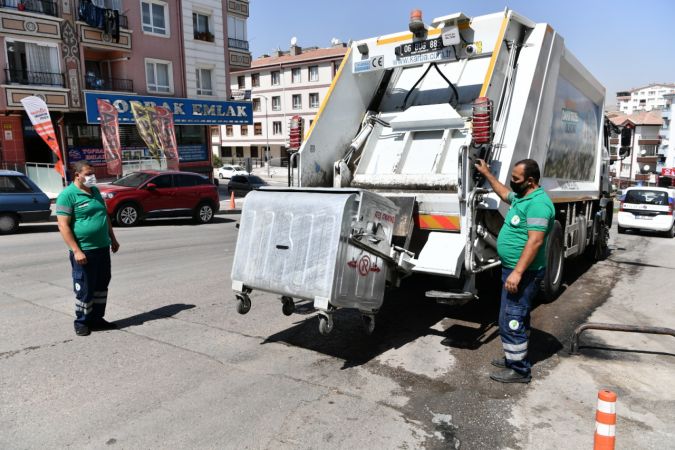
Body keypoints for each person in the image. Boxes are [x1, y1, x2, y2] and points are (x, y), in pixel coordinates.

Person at [474, 158, 554, 383]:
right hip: (513, 269)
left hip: (524, 273)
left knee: (511, 319)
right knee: (516, 316)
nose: (512, 182)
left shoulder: (539, 204)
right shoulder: (523, 197)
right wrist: (488, 174)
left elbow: (535, 242)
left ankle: (520, 370)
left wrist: (517, 273)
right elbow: (504, 193)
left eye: (516, 179)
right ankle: (513, 358)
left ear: (530, 181)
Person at [56, 161, 120, 336]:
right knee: (85, 288)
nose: (92, 177)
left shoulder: (95, 191)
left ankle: (97, 319)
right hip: (84, 251)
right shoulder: (67, 195)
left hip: (102, 248)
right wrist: (76, 250)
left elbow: (105, 217)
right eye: (88, 174)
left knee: (101, 286)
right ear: (77, 175)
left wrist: (112, 238)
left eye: (93, 173)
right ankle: (82, 321)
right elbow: (63, 226)